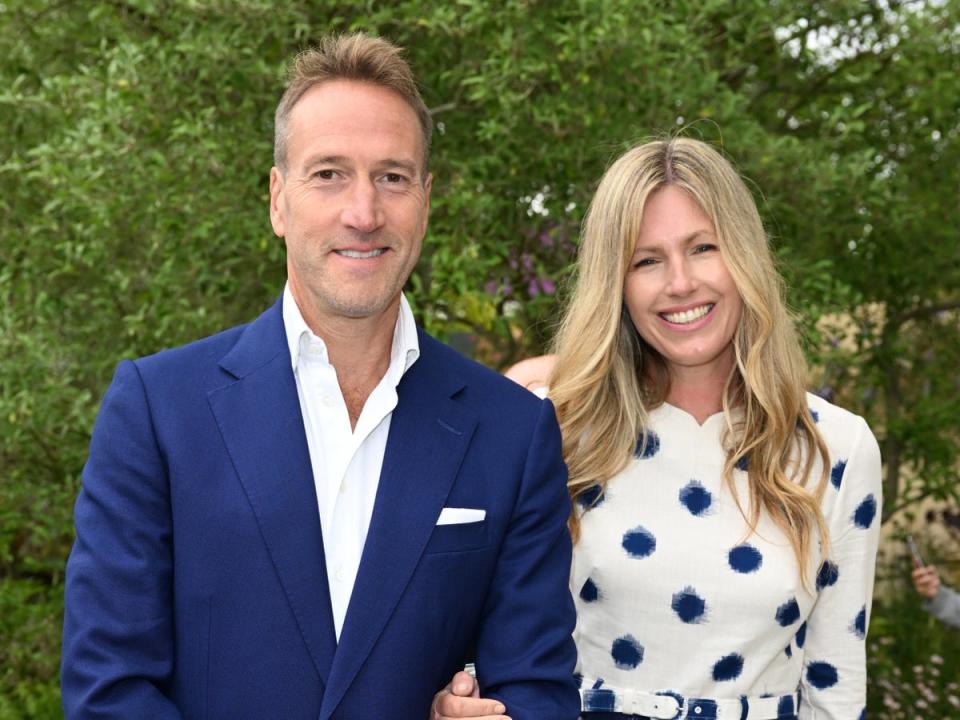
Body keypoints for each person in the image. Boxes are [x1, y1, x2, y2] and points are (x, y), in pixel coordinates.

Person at [60, 33, 579, 720]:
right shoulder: (157, 411)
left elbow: (539, 694)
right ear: (279, 200)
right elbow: (108, 690)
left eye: (391, 177)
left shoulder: (513, 432)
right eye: (329, 173)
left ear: (425, 202)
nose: (362, 213)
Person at [433, 138, 882, 720]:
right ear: (614, 284)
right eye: (647, 260)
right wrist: (457, 697)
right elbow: (478, 636)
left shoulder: (836, 449)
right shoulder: (550, 428)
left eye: (702, 248)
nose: (680, 283)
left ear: (745, 255)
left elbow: (834, 693)